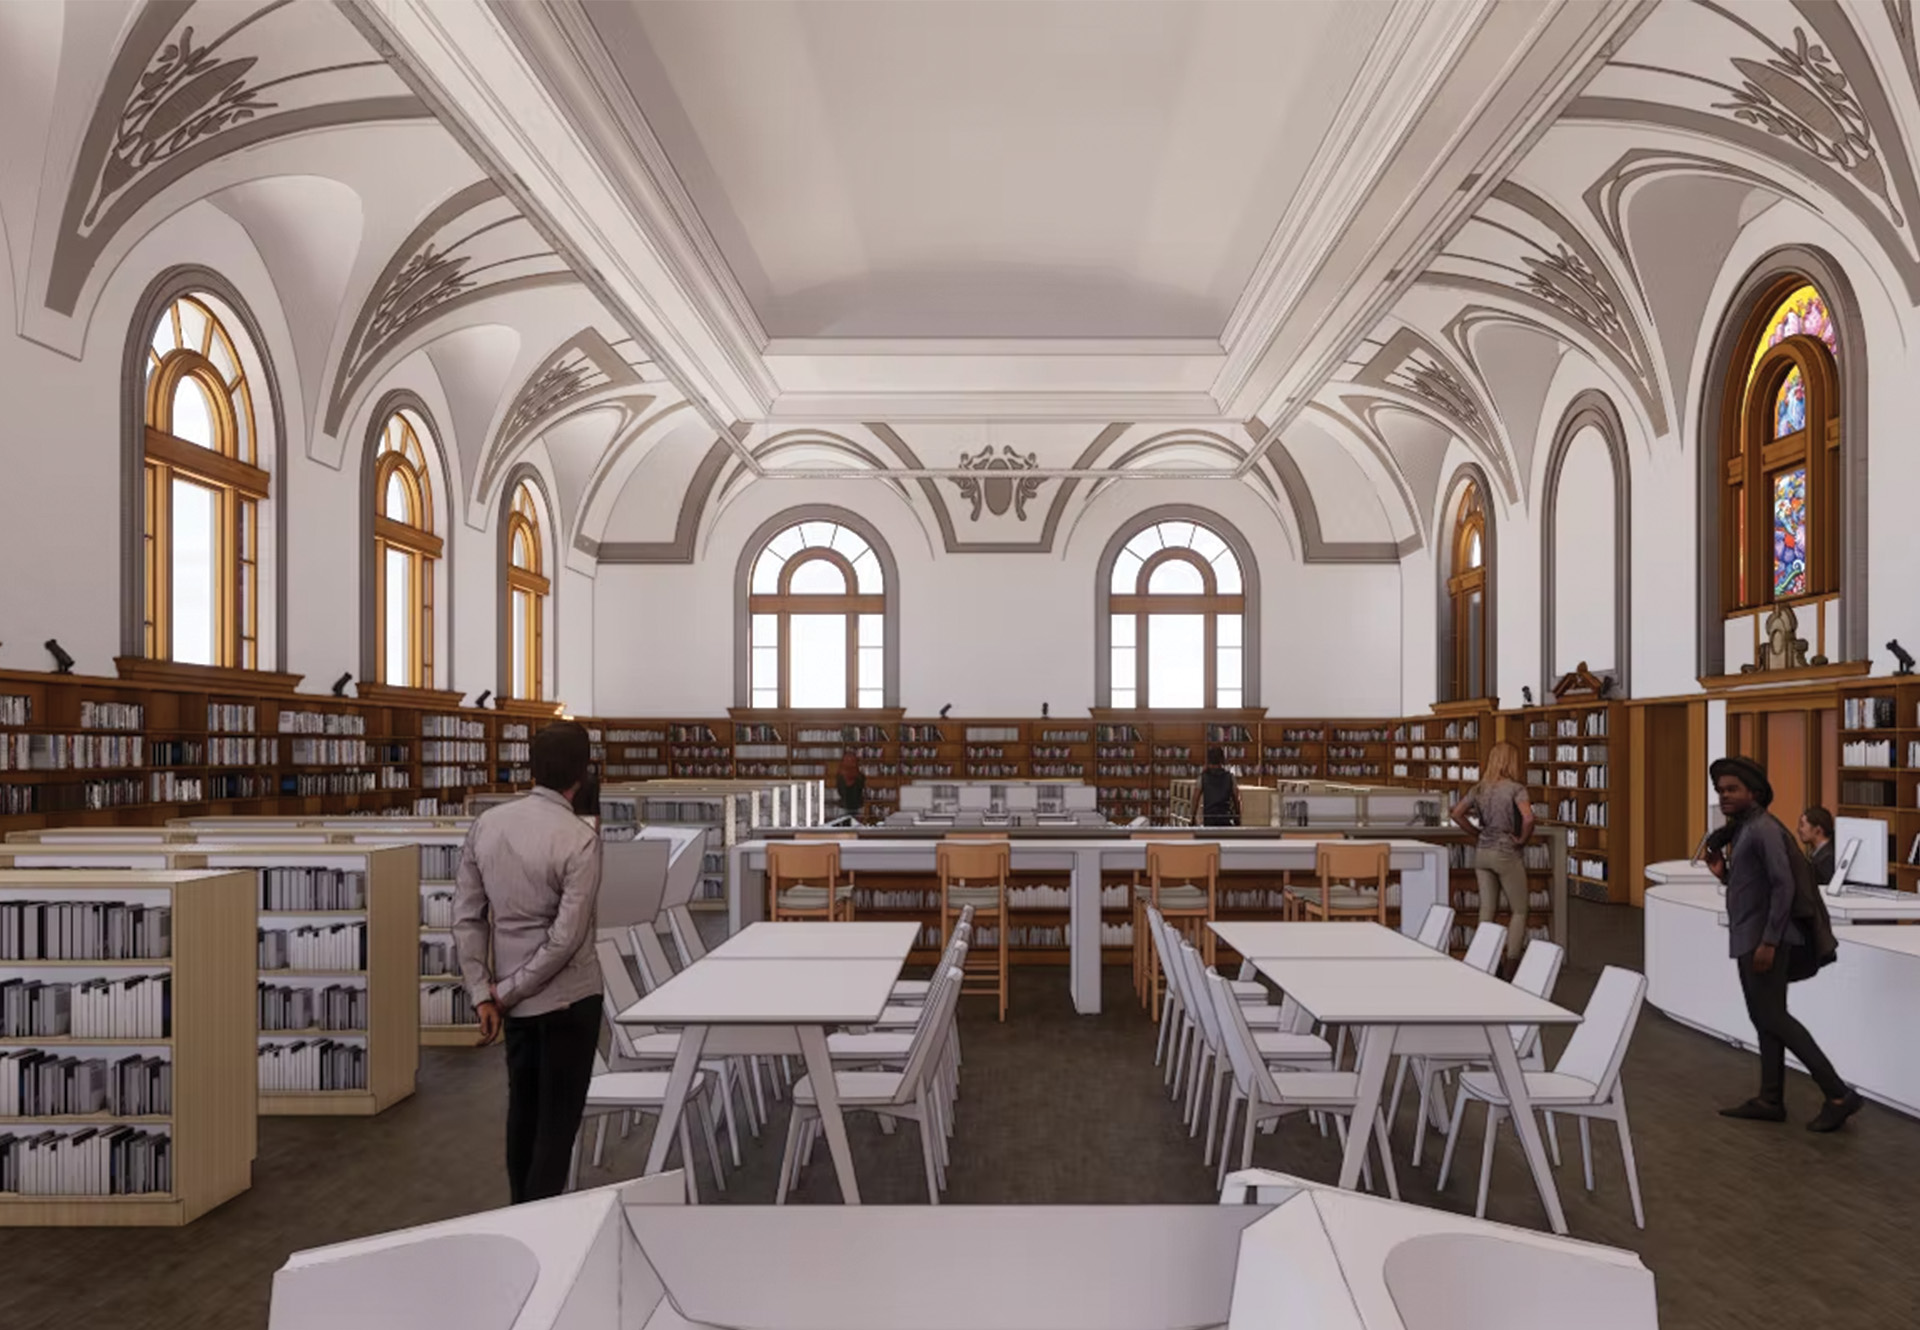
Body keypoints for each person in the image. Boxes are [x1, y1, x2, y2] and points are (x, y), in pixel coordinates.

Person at [454, 720, 605, 1203]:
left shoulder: (487, 825)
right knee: (557, 1128)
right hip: (568, 999)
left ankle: (518, 1214)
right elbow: (565, 940)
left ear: (531, 767)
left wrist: (485, 993)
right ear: (582, 773)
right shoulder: (579, 838)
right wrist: (506, 990)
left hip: (509, 1004)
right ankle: (541, 1229)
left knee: (522, 1115)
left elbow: (467, 917)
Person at [1704, 756, 1860, 1131]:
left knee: (1774, 1017)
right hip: (1751, 935)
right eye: (1720, 790)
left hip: (1764, 939)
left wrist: (1769, 942)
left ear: (1753, 793)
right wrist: (1724, 875)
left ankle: (1838, 1094)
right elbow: (1754, 886)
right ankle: (1770, 1098)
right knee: (1765, 1019)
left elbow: (1783, 885)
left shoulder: (1763, 830)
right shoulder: (1745, 829)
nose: (1724, 796)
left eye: (1732, 790)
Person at [1450, 740, 1533, 974]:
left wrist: (1475, 833)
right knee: (1519, 910)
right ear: (1512, 761)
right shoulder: (1516, 789)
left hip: (1482, 852)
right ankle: (1511, 966)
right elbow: (1528, 818)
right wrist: (1522, 839)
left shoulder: (1478, 788)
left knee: (1486, 908)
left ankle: (1484, 961)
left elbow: (1457, 813)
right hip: (1506, 852)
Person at [1199, 746, 1241, 827]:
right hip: (1225, 818)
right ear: (1222, 760)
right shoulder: (1230, 777)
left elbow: (1195, 799)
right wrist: (1238, 817)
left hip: (1209, 819)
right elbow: (1236, 799)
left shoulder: (1203, 777)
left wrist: (1192, 818)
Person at [1798, 805, 1836, 887]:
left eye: (1802, 825)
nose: (1799, 830)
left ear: (1817, 830)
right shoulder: (1817, 853)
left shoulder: (1827, 858)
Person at [835, 751, 866, 823]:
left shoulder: (860, 776)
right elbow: (841, 790)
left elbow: (859, 789)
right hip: (844, 807)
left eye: (851, 760)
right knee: (843, 829)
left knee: (857, 829)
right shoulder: (840, 775)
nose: (850, 762)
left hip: (857, 807)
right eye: (847, 760)